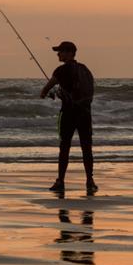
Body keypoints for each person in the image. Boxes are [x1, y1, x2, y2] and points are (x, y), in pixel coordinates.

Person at [39, 41, 98, 193]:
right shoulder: (85, 69)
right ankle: (90, 181)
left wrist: (46, 93)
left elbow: (45, 89)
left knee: (64, 147)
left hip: (68, 114)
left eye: (61, 51)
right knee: (86, 148)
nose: (58, 54)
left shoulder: (60, 70)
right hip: (85, 114)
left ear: (70, 53)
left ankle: (60, 182)